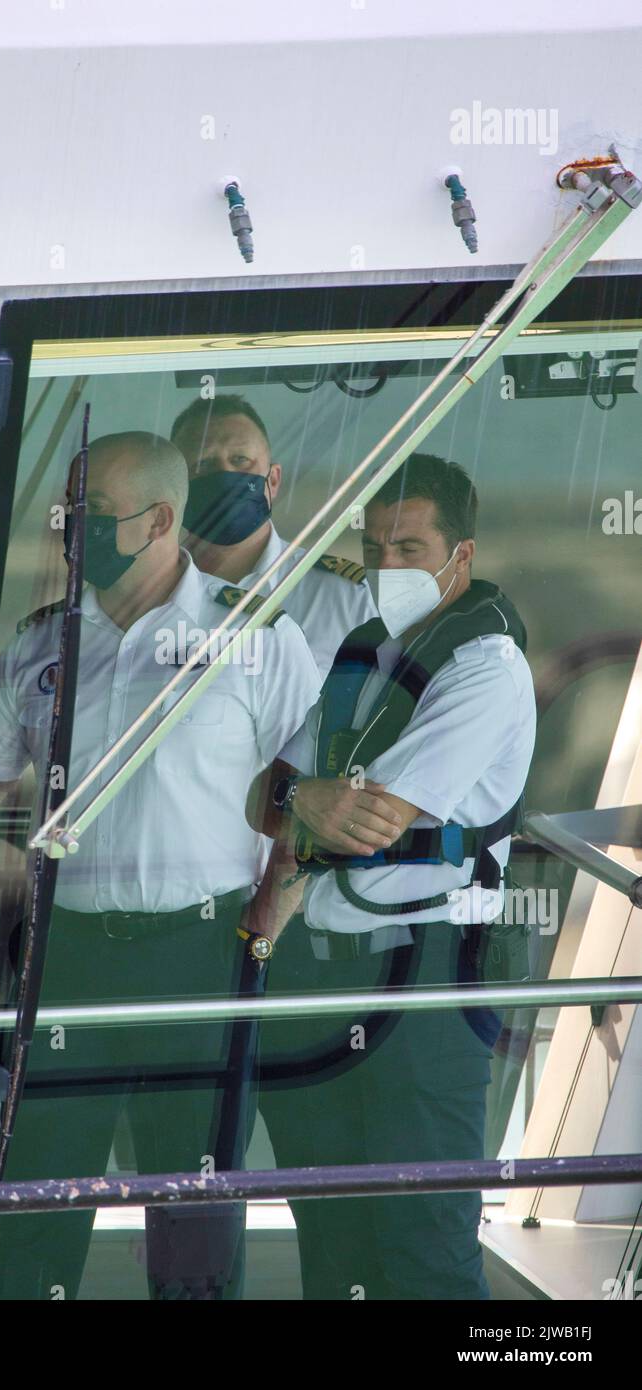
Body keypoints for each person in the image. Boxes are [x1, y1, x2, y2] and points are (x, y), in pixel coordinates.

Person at [0, 431, 322, 1300]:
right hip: (70, 963)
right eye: (68, 513)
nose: (69, 530)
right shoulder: (39, 648)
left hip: (201, 957)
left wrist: (262, 930)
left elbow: (311, 804)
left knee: (195, 1218)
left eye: (88, 515)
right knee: (34, 1207)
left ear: (159, 520)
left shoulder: (257, 639)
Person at [250, 453, 537, 1300]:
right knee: (332, 1244)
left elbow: (375, 817)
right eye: (375, 546)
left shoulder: (487, 667)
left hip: (428, 982)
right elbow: (265, 800)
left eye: (410, 546)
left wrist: (302, 800)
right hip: (325, 973)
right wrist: (308, 799)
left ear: (463, 557)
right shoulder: (362, 651)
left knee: (425, 1250)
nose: (388, 565)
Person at [171, 393, 376, 677]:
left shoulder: (346, 599)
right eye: (203, 464)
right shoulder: (150, 596)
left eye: (241, 459)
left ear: (274, 479)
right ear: (176, 488)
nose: (226, 474)